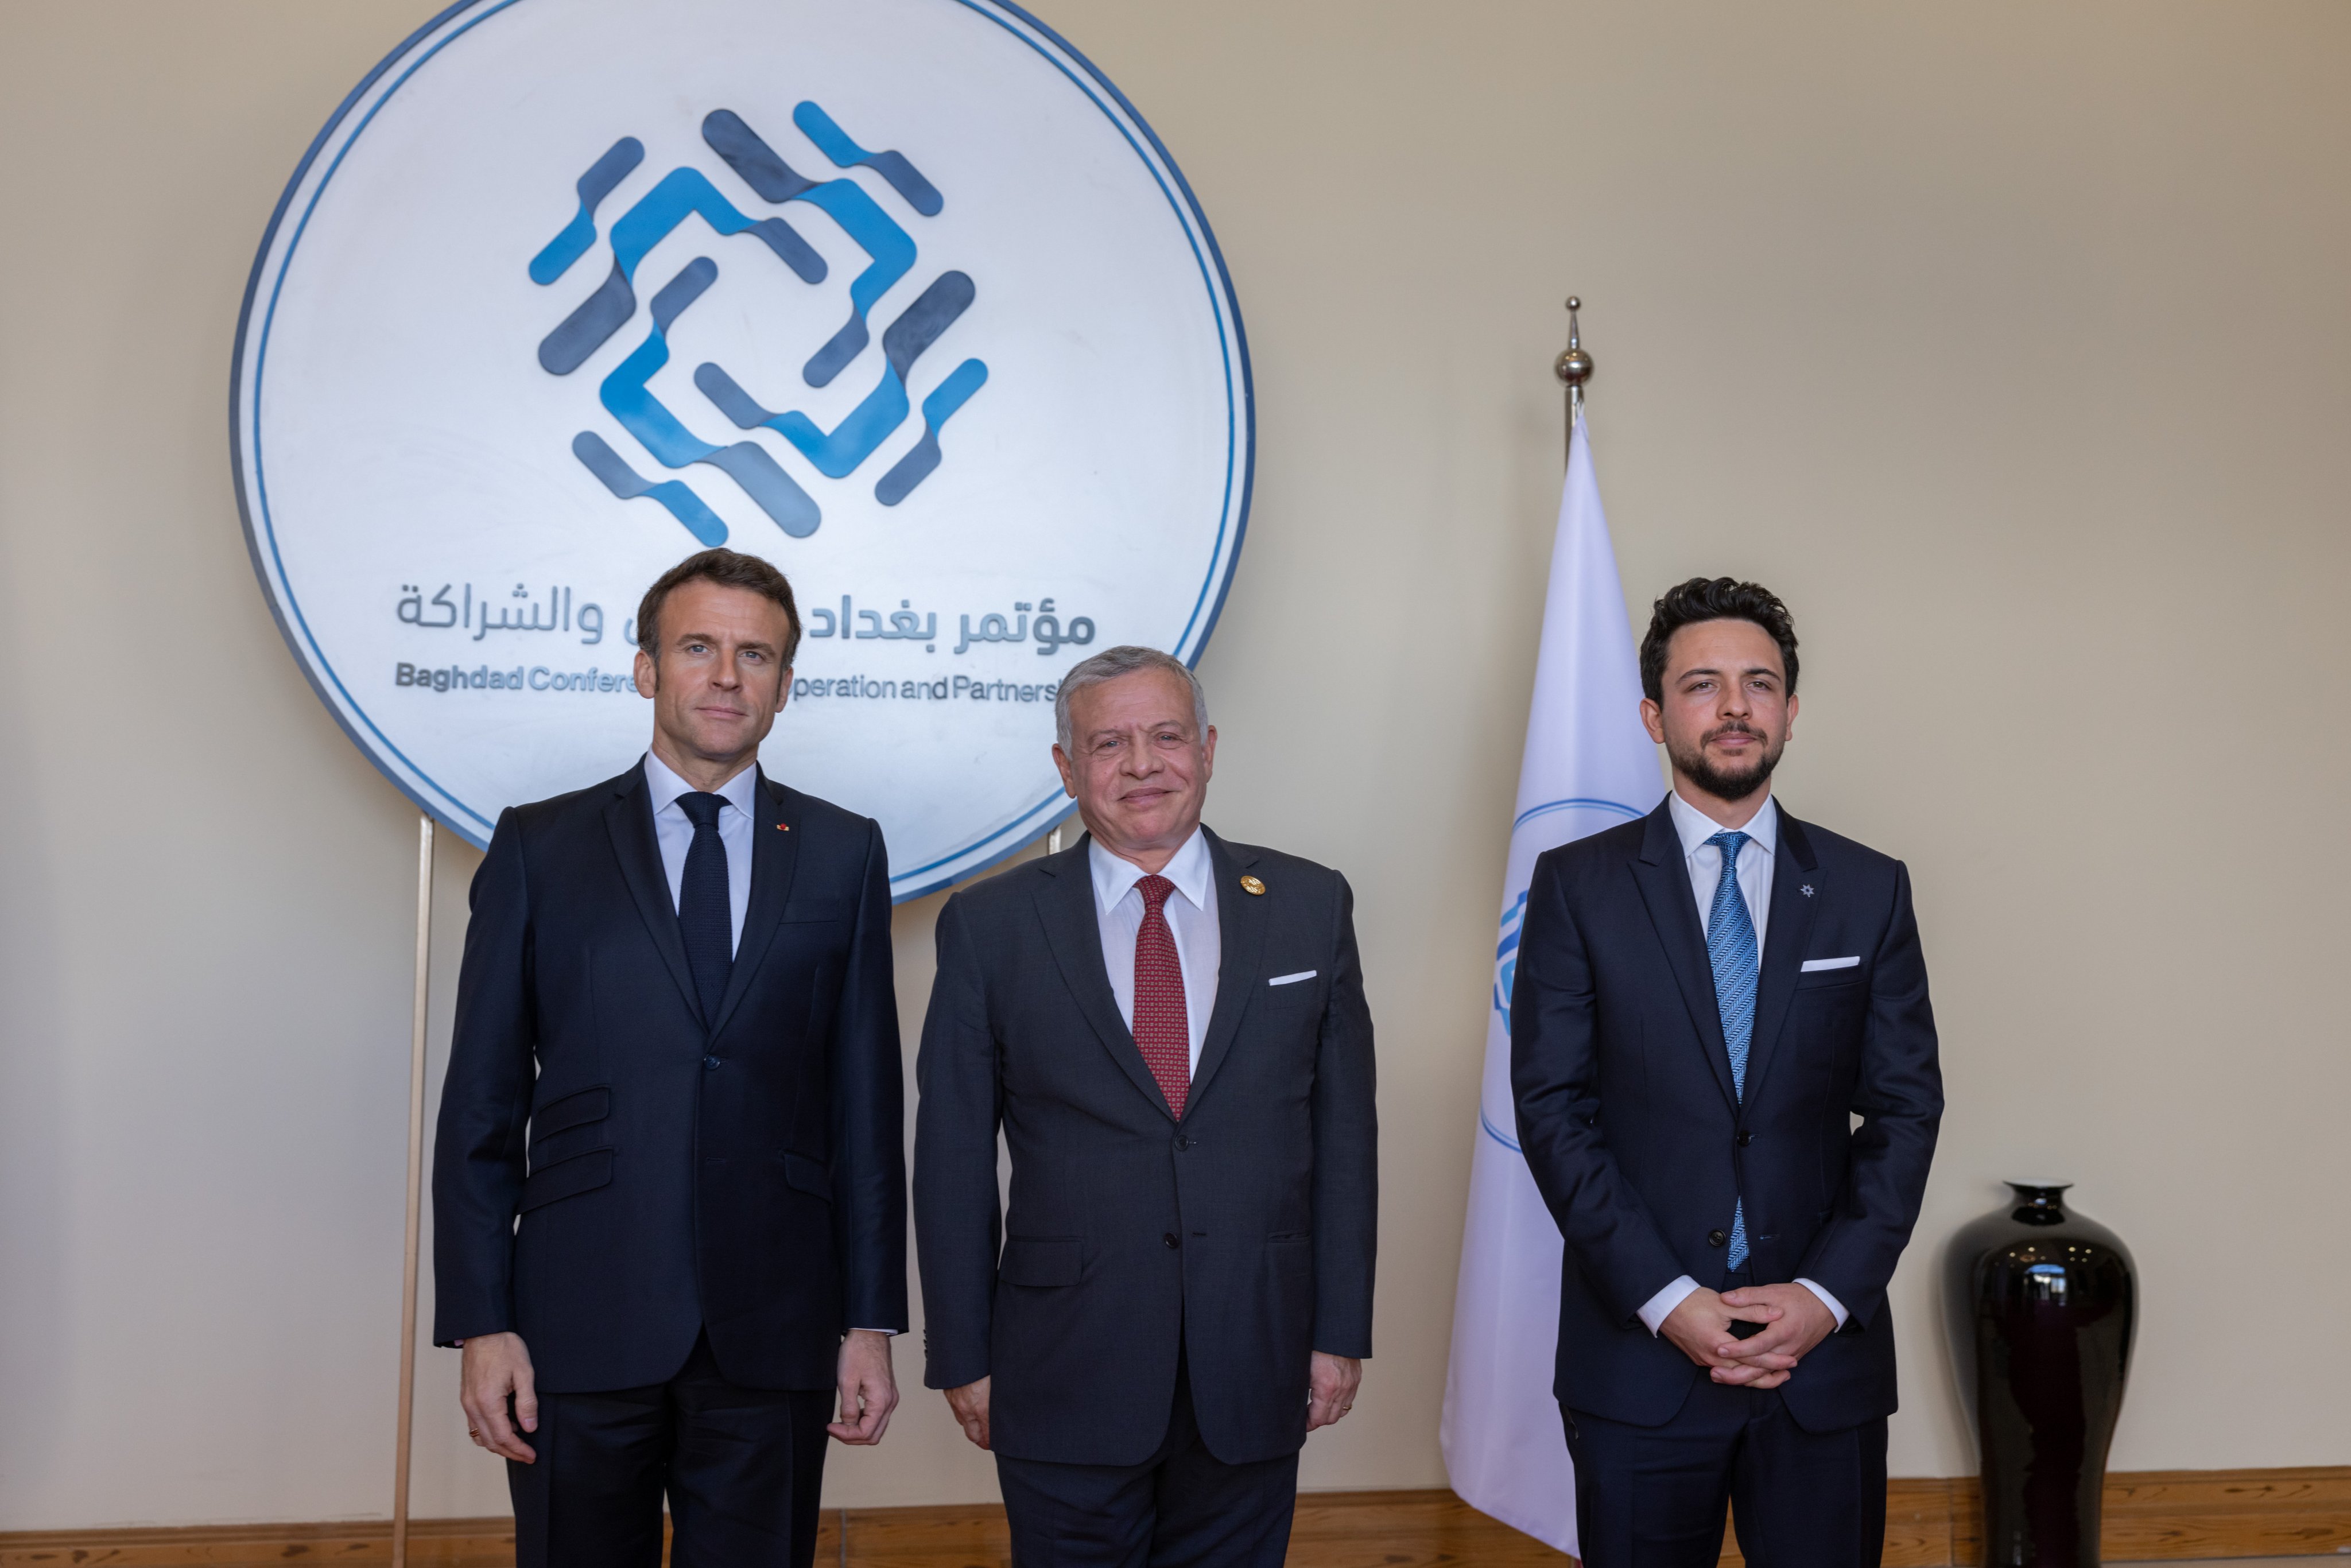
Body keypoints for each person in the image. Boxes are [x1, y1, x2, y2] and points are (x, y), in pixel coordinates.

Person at [430, 548, 906, 1568]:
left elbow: (865, 1109)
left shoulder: (844, 851)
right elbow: (480, 1105)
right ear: (647, 667)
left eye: (755, 655)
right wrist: (480, 1322)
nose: (727, 676)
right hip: (574, 1325)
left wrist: (871, 1322)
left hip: (776, 1326)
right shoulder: (539, 847)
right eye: (698, 648)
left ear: (786, 683)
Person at [913, 645, 1378, 1568]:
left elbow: (1345, 1139)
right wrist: (962, 1354)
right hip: (1061, 1367)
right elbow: (952, 1158)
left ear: (1207, 749)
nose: (1141, 766)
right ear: (1066, 767)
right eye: (1108, 744)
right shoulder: (991, 925)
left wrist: (1338, 1332)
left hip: (1254, 1357)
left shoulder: (1310, 905)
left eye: (1166, 737)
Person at [1510, 577, 1942, 1567]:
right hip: (1640, 1361)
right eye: (1703, 684)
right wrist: (1670, 1299)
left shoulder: (1869, 889)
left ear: (1791, 710)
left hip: (1821, 1364)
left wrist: (1824, 1297)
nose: (1736, 706)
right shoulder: (1578, 888)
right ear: (1655, 715)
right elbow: (1554, 1112)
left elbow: (1907, 1111)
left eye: (1760, 683)